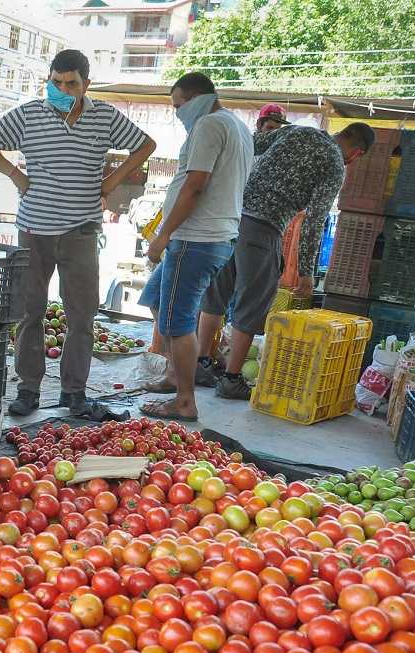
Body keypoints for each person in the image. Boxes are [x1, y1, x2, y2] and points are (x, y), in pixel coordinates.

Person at [0, 49, 155, 417]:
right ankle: (28, 389)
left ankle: (74, 392)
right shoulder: (29, 114)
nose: (62, 89)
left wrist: (112, 180)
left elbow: (145, 145)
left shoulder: (103, 117)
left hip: (81, 229)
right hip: (34, 229)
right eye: (56, 82)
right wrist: (15, 174)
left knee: (82, 315)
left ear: (86, 84)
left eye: (71, 83)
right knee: (29, 311)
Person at [196, 122, 374, 400]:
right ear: (356, 153)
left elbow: (249, 145)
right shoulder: (335, 164)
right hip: (263, 230)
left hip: (231, 218)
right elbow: (314, 221)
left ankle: (200, 364)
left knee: (216, 294)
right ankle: (231, 380)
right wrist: (305, 272)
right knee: (252, 303)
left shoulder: (297, 130)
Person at [137, 73, 253, 421]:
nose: (177, 114)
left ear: (197, 98)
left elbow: (195, 186)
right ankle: (175, 375)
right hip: (211, 237)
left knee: (178, 320)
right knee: (158, 300)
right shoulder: (237, 126)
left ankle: (185, 400)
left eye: (178, 106)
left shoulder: (208, 126)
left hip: (195, 239)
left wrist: (163, 235)